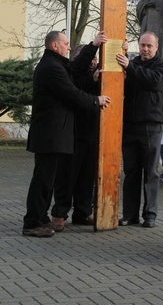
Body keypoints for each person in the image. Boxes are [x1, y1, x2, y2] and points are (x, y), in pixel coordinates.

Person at [23, 30, 110, 238]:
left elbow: (76, 68)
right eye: (66, 44)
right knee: (43, 180)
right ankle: (32, 222)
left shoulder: (55, 65)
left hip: (53, 135)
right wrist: (95, 100)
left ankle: (41, 218)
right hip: (50, 135)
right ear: (55, 46)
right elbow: (72, 93)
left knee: (48, 180)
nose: (69, 47)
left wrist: (94, 45)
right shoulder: (52, 68)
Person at [50, 31, 107, 231]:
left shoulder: (100, 73)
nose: (93, 63)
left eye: (94, 61)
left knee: (86, 176)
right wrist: (92, 77)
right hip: (73, 133)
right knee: (67, 176)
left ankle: (83, 212)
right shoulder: (71, 73)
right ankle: (59, 214)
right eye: (89, 59)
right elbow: (77, 91)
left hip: (92, 133)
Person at [116, 31, 163, 228]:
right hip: (130, 125)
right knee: (131, 172)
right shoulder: (132, 63)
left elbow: (155, 81)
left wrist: (130, 67)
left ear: (156, 47)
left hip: (151, 125)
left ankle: (150, 215)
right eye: (142, 45)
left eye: (149, 46)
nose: (145, 49)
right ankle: (130, 215)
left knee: (150, 172)